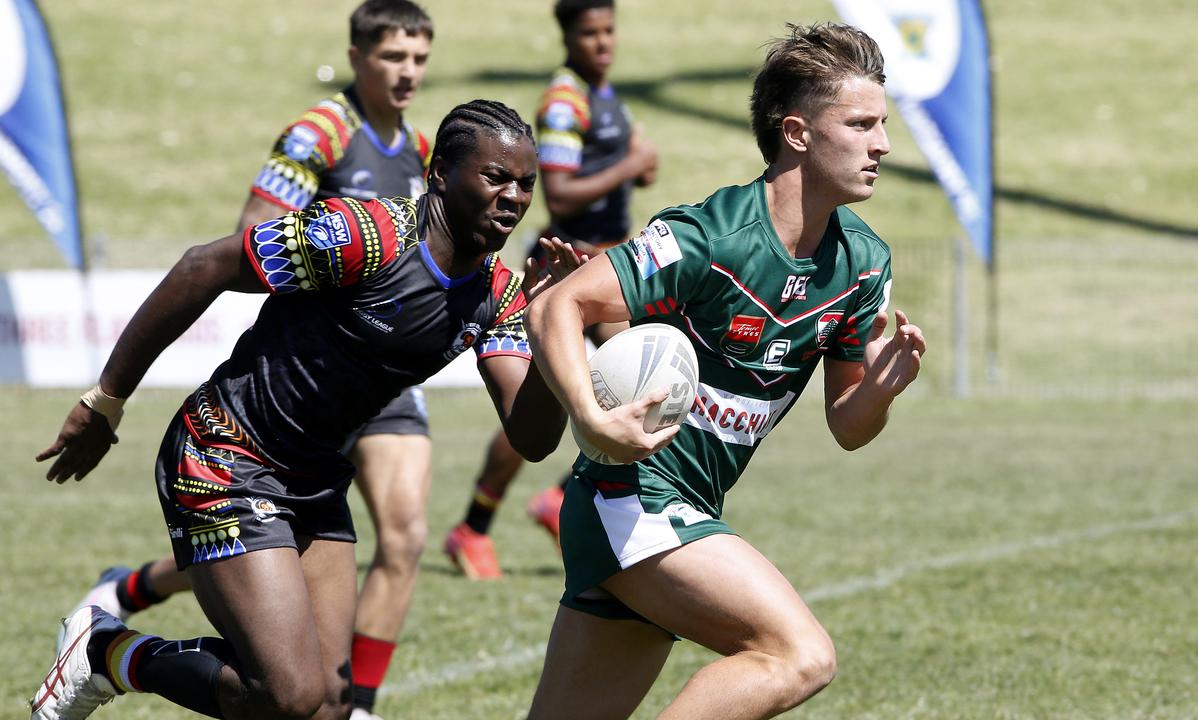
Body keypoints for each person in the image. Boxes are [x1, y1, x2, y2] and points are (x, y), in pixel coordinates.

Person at [31, 99, 580, 720]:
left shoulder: (501, 294)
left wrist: (548, 325)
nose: (513, 196)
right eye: (494, 177)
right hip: (225, 454)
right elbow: (201, 267)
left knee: (327, 710)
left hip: (314, 480)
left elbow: (532, 436)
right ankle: (105, 650)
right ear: (439, 175)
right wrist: (106, 400)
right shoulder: (362, 236)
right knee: (288, 693)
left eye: (526, 184)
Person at [522, 23, 928, 719]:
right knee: (799, 654)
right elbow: (557, 307)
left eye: (882, 124)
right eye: (861, 124)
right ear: (797, 133)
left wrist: (884, 390)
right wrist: (591, 419)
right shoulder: (710, 236)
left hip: (680, 509)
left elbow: (849, 426)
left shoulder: (864, 264)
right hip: (632, 498)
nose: (882, 144)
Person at [61, 3, 443, 717]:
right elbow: (253, 233)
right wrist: (346, 260)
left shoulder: (424, 151)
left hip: (385, 378)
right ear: (358, 55)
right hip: (308, 374)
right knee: (273, 547)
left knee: (407, 533)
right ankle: (135, 594)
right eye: (394, 57)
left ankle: (356, 704)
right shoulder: (319, 134)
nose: (408, 73)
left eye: (419, 59)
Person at [443, 0, 660, 580]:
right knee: (550, 399)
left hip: (609, 263)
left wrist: (635, 170)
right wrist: (631, 161)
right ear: (568, 37)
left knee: (649, 382)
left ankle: (557, 499)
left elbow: (612, 172)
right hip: (565, 266)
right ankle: (475, 527)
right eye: (590, 33)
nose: (603, 42)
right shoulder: (564, 100)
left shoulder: (606, 97)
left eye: (609, 30)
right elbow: (560, 195)